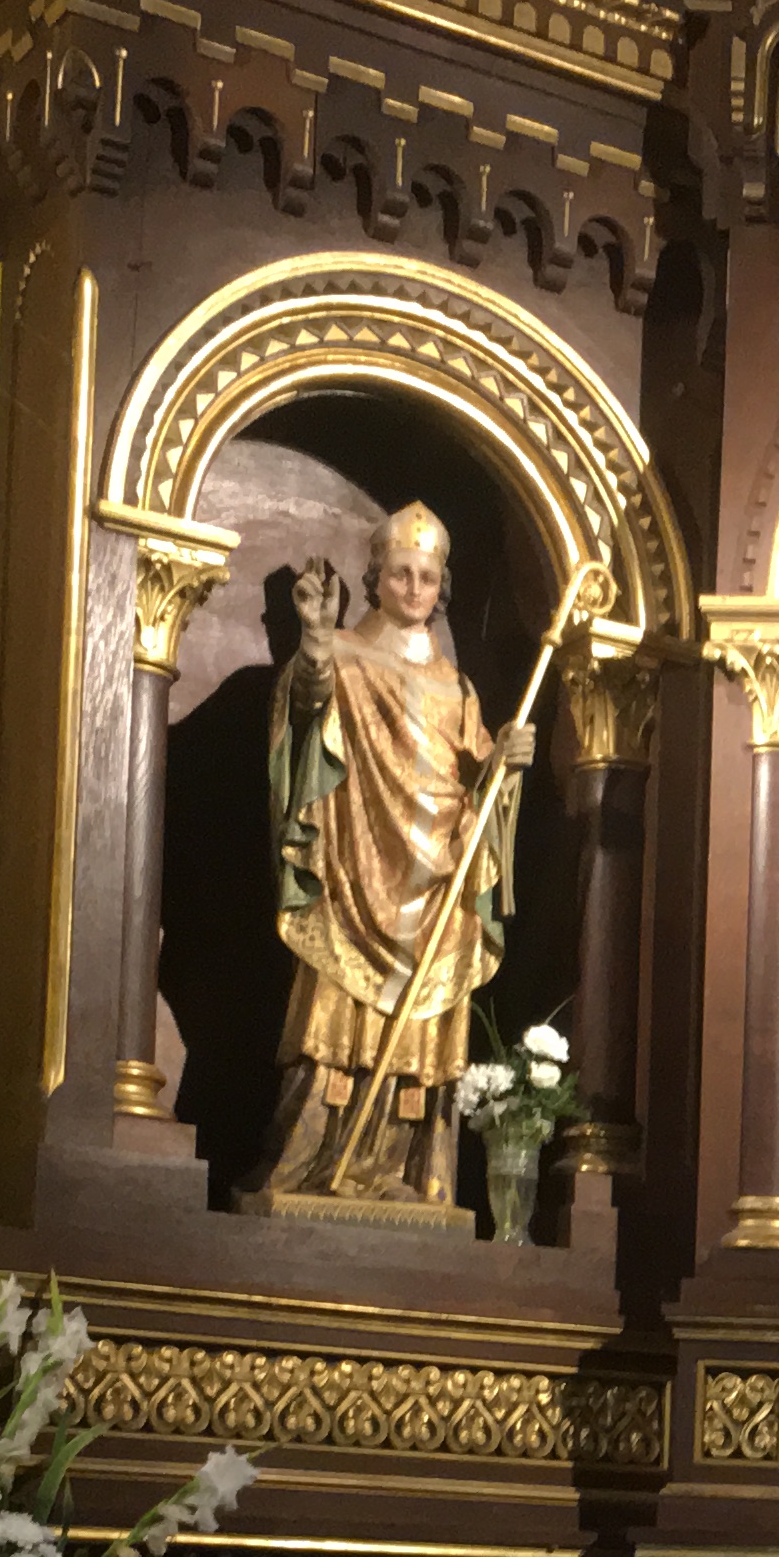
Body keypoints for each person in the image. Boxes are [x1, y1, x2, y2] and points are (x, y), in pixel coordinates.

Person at [258, 500, 537, 1202]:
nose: (415, 589)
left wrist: (502, 765)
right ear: (376, 577)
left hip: (435, 892)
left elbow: (475, 794)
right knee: (334, 1027)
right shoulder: (345, 659)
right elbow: (305, 718)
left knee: (418, 1049)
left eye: (427, 576)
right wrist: (317, 642)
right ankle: (314, 1167)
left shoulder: (457, 686)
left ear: (442, 587)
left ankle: (409, 1172)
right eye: (401, 573)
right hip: (357, 874)